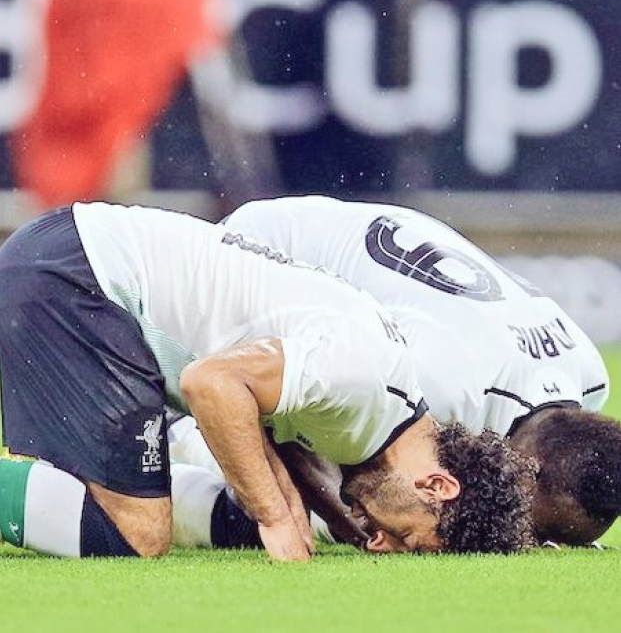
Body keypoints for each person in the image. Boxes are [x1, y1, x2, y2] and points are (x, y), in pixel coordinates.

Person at [0, 202, 534, 560]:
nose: (381, 546)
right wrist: (276, 515)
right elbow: (211, 382)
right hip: (80, 279)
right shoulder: (364, 381)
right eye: (409, 539)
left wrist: (308, 506)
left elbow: (266, 418)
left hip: (78, 266)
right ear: (436, 486)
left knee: (238, 507)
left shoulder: (379, 404)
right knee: (139, 532)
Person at [167, 195, 621, 547]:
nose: (524, 539)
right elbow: (293, 415)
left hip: (344, 236)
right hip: (263, 251)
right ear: (526, 472)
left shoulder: (589, 376)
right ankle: (177, 434)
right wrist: (349, 525)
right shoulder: (443, 381)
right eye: (532, 528)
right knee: (284, 505)